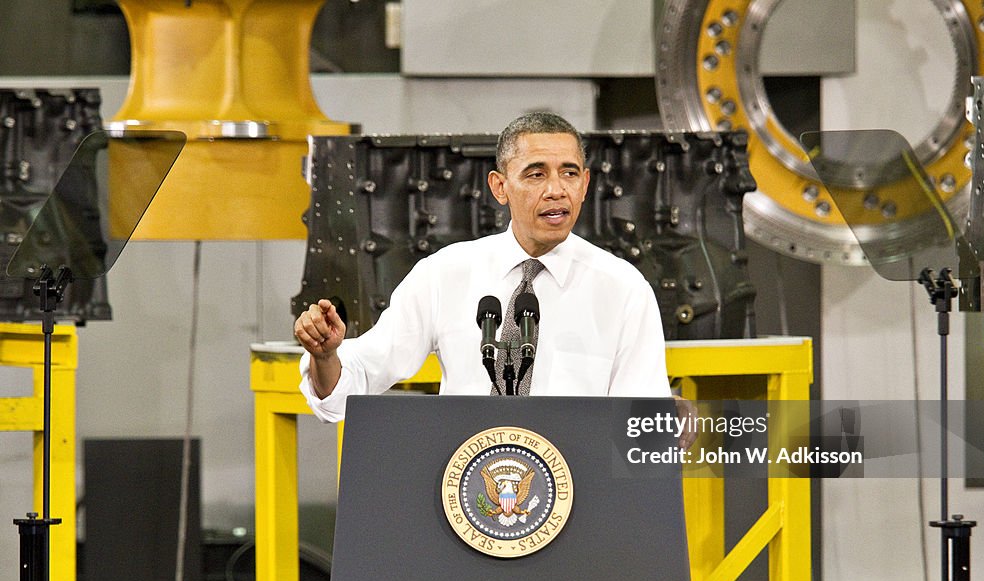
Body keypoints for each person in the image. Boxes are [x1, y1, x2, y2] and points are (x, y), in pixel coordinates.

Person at [294, 111, 693, 444]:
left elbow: (643, 431)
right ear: (500, 187)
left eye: (569, 173)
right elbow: (351, 385)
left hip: (579, 506)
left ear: (585, 184)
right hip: (463, 499)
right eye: (536, 174)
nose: (556, 190)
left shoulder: (623, 290)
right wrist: (325, 356)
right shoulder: (444, 275)